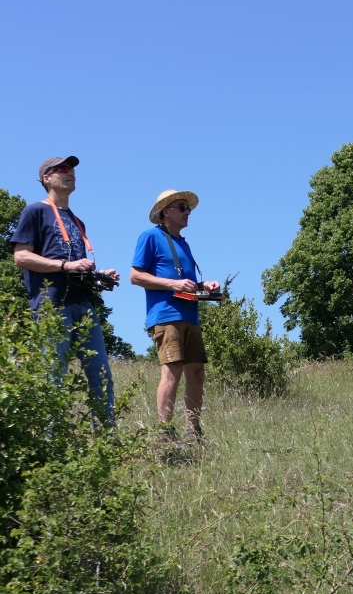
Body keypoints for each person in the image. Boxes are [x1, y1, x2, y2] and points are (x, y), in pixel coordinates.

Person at [11, 156, 119, 428]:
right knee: (53, 377)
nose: (70, 173)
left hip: (84, 304)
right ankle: (51, 447)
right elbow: (21, 257)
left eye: (72, 170)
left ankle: (107, 444)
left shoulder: (77, 221)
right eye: (62, 169)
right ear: (46, 178)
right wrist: (65, 264)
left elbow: (75, 267)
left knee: (101, 375)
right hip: (52, 306)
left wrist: (99, 276)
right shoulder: (35, 211)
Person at [130, 190, 220, 446]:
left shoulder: (183, 243)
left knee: (196, 371)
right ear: (165, 211)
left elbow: (186, 284)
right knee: (172, 371)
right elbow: (135, 276)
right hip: (166, 316)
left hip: (190, 315)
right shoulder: (150, 237)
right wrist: (172, 283)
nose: (187, 212)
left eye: (188, 208)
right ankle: (164, 434)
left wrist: (206, 286)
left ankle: (193, 432)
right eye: (182, 207)